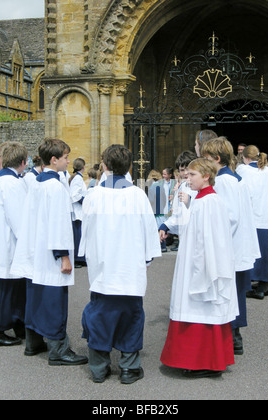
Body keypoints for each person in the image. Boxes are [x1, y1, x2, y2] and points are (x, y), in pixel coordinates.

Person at [79, 144, 161, 384]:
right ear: (129, 168)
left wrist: (88, 256)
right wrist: (146, 258)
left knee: (100, 315)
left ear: (104, 167)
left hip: (103, 268)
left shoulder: (93, 196)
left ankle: (99, 367)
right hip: (129, 268)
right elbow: (148, 230)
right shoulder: (137, 195)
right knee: (131, 316)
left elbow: (86, 231)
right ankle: (128, 367)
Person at [11, 138, 88, 366]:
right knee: (55, 301)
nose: (68, 161)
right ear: (54, 160)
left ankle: (33, 343)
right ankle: (58, 350)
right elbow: (57, 223)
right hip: (52, 253)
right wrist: (63, 255)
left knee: (35, 297)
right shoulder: (54, 187)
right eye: (65, 158)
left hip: (37, 252)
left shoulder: (35, 182)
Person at [160, 158, 239, 378]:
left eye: (192, 175)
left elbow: (211, 241)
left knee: (202, 309)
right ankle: (198, 359)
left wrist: (204, 270)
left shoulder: (210, 202)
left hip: (203, 265)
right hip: (194, 261)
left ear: (206, 176)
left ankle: (204, 361)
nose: (188, 179)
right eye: (186, 175)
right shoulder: (201, 200)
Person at [200, 137, 260, 354]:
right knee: (236, 291)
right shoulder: (236, 178)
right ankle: (234, 336)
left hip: (231, 246)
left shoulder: (224, 181)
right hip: (239, 245)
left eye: (205, 158)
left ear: (216, 159)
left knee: (229, 292)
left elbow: (229, 217)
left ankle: (232, 336)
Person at [0, 142, 28, 346]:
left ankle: (13, 324)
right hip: (4, 243)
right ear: (23, 162)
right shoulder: (12, 184)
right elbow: (19, 219)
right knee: (2, 290)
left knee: (4, 288)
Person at [236, 145, 268, 299]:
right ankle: (264, 285)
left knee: (251, 251)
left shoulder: (242, 170)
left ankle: (252, 286)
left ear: (245, 157)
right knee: (266, 251)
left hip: (250, 217)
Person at [158, 151, 197, 251]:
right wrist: (164, 226)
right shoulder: (182, 187)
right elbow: (177, 214)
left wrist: (190, 201)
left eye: (185, 170)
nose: (183, 174)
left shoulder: (200, 185)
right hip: (185, 236)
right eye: (181, 170)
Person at [69, 157, 87, 268]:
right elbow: (74, 194)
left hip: (79, 212)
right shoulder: (78, 179)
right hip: (78, 212)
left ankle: (80, 257)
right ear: (83, 167)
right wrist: (84, 201)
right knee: (78, 236)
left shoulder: (77, 178)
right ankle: (77, 258)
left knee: (79, 235)